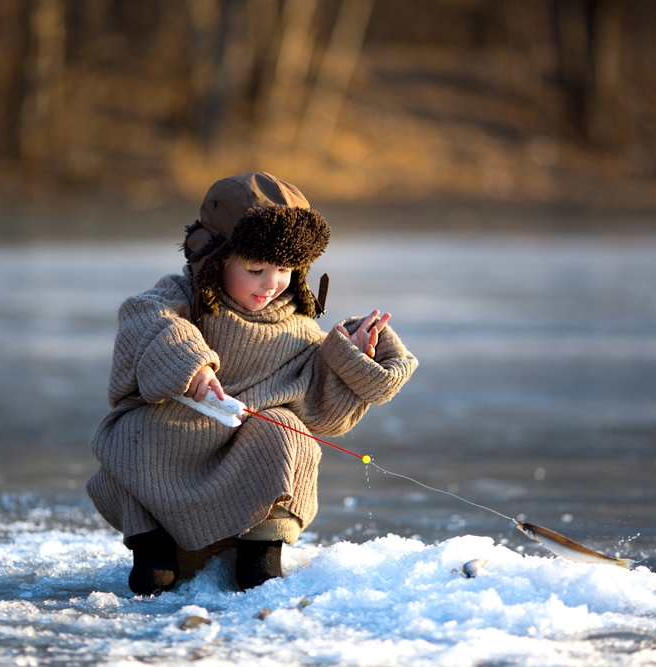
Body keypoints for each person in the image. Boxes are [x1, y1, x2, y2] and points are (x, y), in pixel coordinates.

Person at [86, 171, 418, 594]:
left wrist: (348, 354)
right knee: (132, 434)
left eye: (283, 269)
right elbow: (147, 317)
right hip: (172, 443)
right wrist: (194, 368)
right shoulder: (182, 296)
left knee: (291, 433)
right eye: (256, 268)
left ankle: (261, 551)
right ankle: (153, 549)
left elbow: (321, 410)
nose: (270, 284)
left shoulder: (296, 328)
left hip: (245, 461)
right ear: (214, 259)